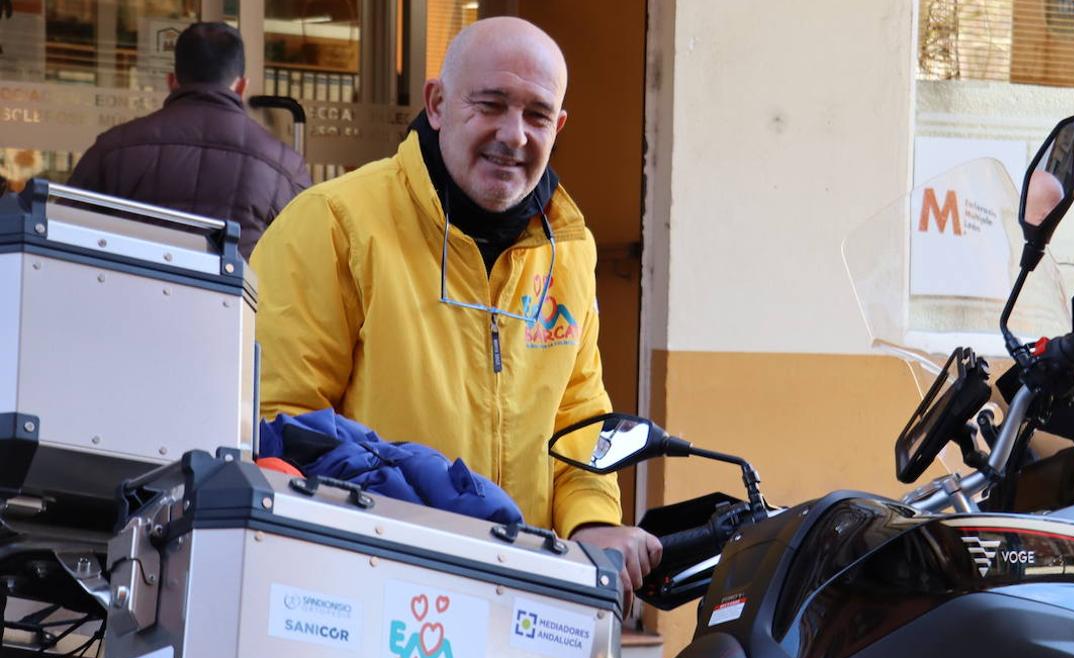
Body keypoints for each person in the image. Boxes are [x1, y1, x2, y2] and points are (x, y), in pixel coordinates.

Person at [251, 17, 661, 607]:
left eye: (537, 115)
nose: (514, 134)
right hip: (367, 594)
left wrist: (591, 524)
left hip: (523, 600)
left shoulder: (569, 249)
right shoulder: (335, 224)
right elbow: (280, 426)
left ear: (559, 126)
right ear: (438, 104)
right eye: (491, 104)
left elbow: (580, 418)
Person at [68, 22, 310, 259]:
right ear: (241, 86)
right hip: (239, 299)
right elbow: (305, 256)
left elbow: (64, 230)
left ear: (172, 81)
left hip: (127, 294)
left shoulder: (114, 148)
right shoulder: (284, 166)